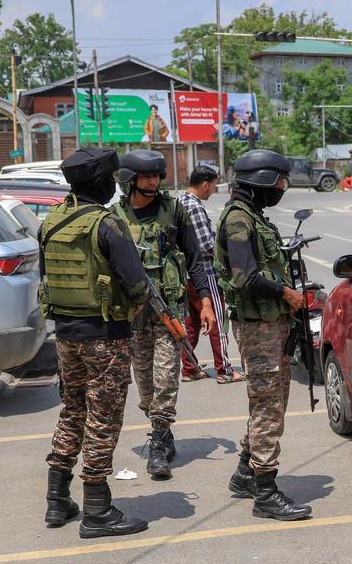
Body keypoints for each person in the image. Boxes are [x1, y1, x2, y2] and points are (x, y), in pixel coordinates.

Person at [41, 148, 152, 538]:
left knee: (72, 412)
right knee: (102, 420)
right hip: (105, 338)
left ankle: (57, 500)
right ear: (102, 182)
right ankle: (97, 510)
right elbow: (137, 285)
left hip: (66, 336)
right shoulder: (107, 224)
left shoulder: (51, 221)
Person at [215, 149, 312, 522]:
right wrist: (287, 294)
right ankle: (266, 493)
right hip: (259, 328)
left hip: (269, 325)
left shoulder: (251, 216)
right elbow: (244, 277)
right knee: (268, 406)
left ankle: (245, 472)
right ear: (261, 181)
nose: (282, 188)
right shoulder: (239, 220)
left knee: (267, 403)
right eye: (280, 181)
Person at [115, 150, 217, 480]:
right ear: (130, 180)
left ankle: (158, 443)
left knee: (167, 378)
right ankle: (163, 429)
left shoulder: (174, 211)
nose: (152, 182)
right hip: (133, 316)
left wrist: (205, 302)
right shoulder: (116, 217)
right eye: (146, 177)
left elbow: (196, 260)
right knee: (145, 387)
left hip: (169, 311)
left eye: (156, 176)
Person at [179, 164, 242, 384]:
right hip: (205, 274)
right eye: (213, 186)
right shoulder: (194, 207)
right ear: (205, 184)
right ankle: (225, 370)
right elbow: (206, 244)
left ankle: (189, 368)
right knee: (217, 322)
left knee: (192, 324)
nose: (213, 191)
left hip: (186, 275)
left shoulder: (180, 201)